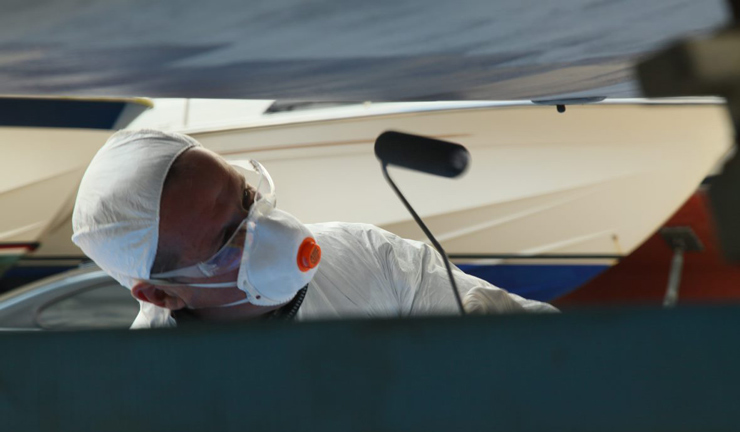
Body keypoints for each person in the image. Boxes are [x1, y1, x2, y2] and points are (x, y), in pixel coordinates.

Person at [72, 129, 557, 329]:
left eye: (246, 196)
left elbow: (567, 357)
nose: (263, 227)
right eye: (226, 240)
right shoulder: (145, 396)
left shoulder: (363, 255)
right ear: (162, 295)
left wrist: (514, 341)